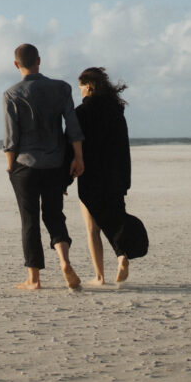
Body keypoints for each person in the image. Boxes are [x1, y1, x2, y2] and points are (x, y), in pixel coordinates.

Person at [3, 44, 85, 290]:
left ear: (16, 64)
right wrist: (78, 158)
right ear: (39, 60)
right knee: (54, 214)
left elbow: (11, 139)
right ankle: (64, 260)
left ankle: (34, 279)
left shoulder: (12, 94)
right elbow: (72, 128)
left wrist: (10, 168)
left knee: (29, 220)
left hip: (25, 165)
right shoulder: (61, 88)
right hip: (55, 163)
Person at [74, 67, 138, 285]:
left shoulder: (82, 112)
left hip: (91, 175)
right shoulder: (116, 111)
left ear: (89, 87)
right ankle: (121, 257)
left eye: (80, 88)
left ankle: (99, 276)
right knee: (114, 220)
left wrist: (65, 176)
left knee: (92, 227)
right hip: (116, 176)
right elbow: (124, 147)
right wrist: (125, 180)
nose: (80, 92)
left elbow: (75, 146)